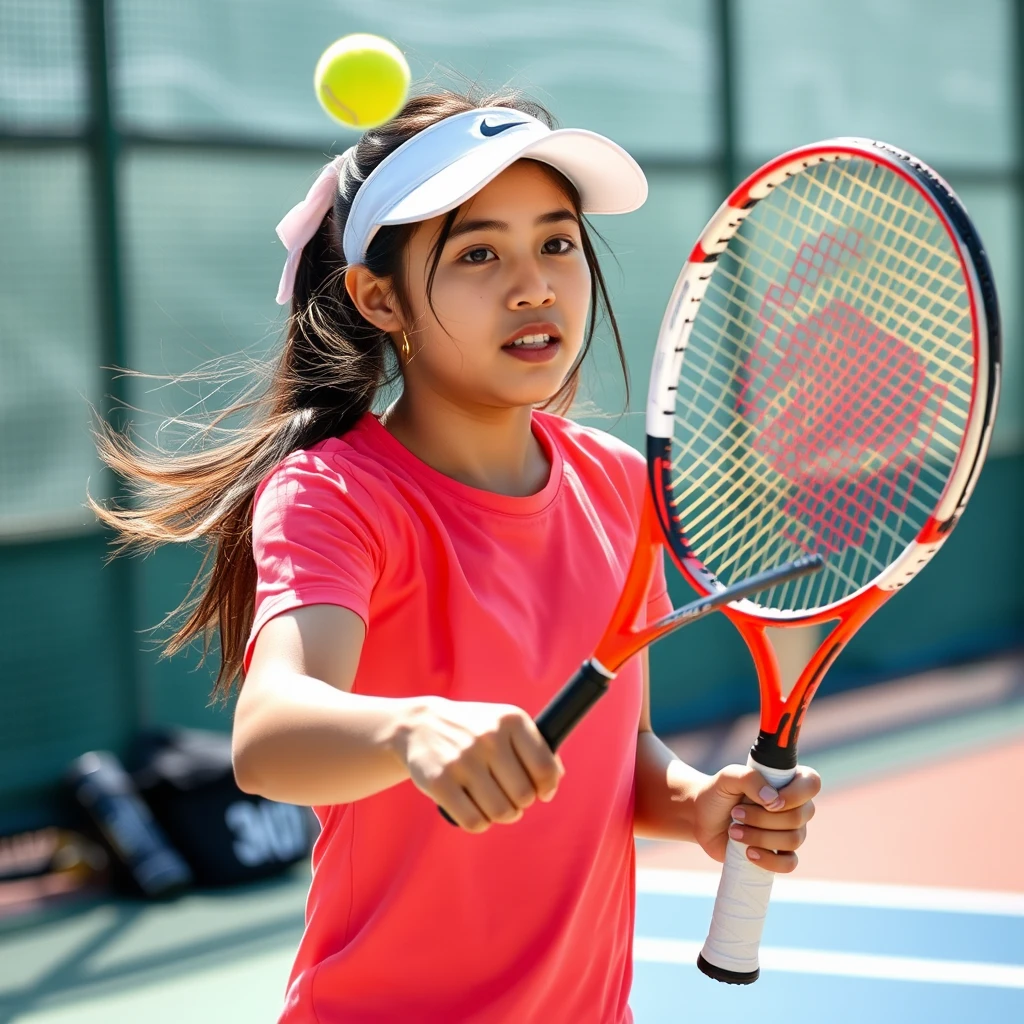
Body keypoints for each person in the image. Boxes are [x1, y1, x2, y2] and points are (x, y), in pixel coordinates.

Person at [92, 91, 820, 1023]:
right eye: (479, 253)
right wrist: (412, 731)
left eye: (557, 243)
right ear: (379, 297)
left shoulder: (621, 487)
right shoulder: (334, 497)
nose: (534, 284)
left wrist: (690, 802)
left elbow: (607, 745)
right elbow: (271, 737)